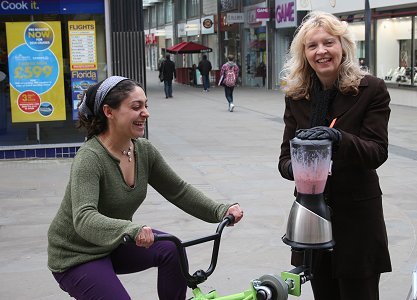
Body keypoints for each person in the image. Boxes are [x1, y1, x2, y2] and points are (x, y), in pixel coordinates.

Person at [47, 76, 244, 300]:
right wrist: (130, 229)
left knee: (172, 250)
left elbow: (178, 190)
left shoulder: (143, 150)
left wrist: (221, 210)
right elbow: (83, 218)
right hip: (76, 255)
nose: (146, 113)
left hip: (113, 244)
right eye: (136, 107)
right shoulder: (90, 158)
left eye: (146, 106)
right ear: (109, 112)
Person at [278, 11, 391, 300]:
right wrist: (305, 166)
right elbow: (284, 162)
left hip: (357, 221)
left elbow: (377, 152)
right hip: (313, 217)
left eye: (328, 42)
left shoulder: (371, 89)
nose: (321, 51)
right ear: (303, 53)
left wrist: (339, 139)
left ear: (343, 46)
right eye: (312, 45)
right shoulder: (296, 95)